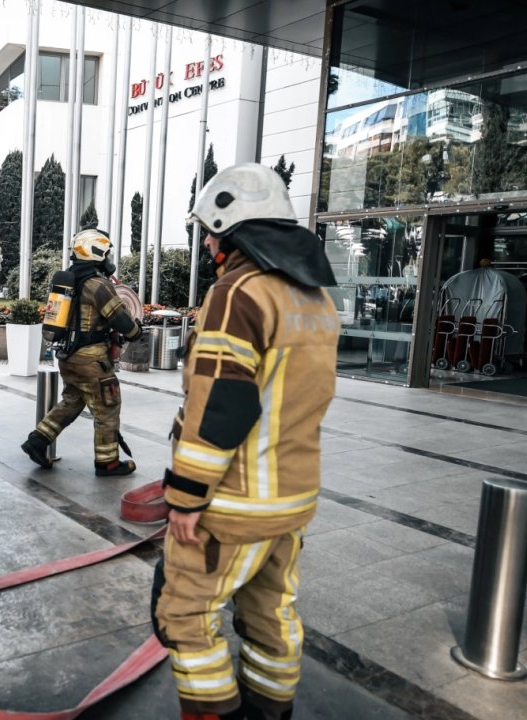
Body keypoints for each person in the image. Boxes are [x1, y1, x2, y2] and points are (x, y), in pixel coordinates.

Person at [151, 164, 339, 720]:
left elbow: (222, 405)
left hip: (233, 503)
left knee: (185, 615)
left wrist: (185, 495)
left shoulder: (238, 294)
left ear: (229, 231)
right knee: (272, 614)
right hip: (293, 499)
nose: (208, 241)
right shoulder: (315, 299)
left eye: (211, 231)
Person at [21, 228, 142, 477]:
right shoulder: (98, 285)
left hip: (68, 358)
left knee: (73, 401)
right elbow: (122, 320)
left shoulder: (70, 280)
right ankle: (107, 463)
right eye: (106, 254)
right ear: (96, 252)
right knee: (108, 407)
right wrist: (135, 331)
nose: (109, 259)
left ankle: (37, 440)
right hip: (92, 361)